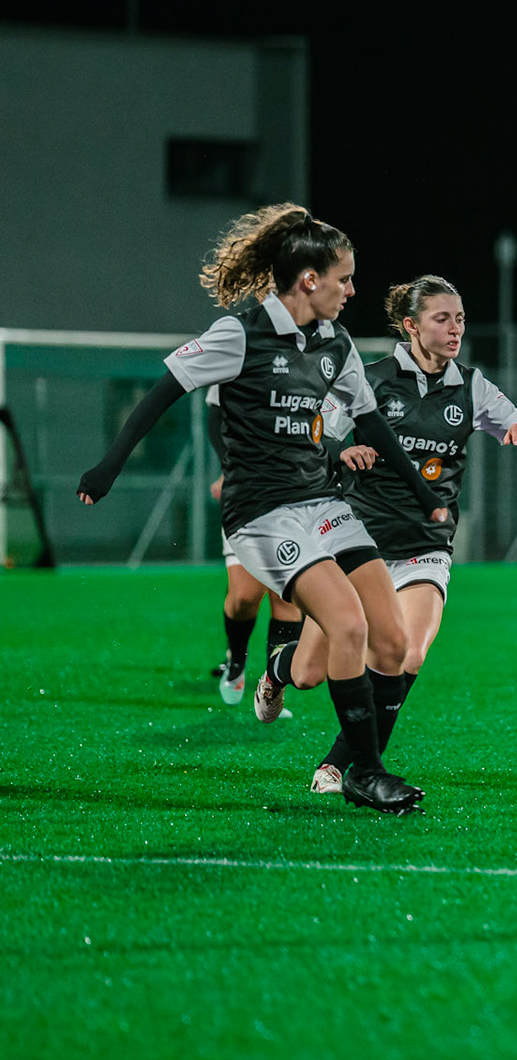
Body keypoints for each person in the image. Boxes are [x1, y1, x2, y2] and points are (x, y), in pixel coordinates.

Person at [78, 204, 450, 816]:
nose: (352, 290)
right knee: (348, 627)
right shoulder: (239, 334)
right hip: (263, 516)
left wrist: (422, 491)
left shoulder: (335, 342)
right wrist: (109, 465)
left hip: (322, 504)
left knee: (389, 641)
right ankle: (363, 772)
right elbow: (160, 393)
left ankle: (288, 680)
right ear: (309, 279)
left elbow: (370, 422)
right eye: (345, 278)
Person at [285, 274, 517, 794]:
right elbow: (312, 438)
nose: (455, 328)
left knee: (407, 653)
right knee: (308, 673)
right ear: (411, 325)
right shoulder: (369, 379)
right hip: (356, 543)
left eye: (459, 318)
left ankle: (345, 765)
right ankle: (277, 669)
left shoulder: (471, 386)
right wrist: (341, 451)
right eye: (442, 318)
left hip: (424, 549)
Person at [205, 384, 362, 709]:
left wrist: (343, 453)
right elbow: (216, 416)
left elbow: (332, 432)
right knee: (244, 597)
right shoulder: (243, 355)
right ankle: (236, 661)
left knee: (286, 600)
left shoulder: (323, 364)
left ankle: (272, 684)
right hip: (251, 500)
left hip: (302, 502)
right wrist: (230, 470)